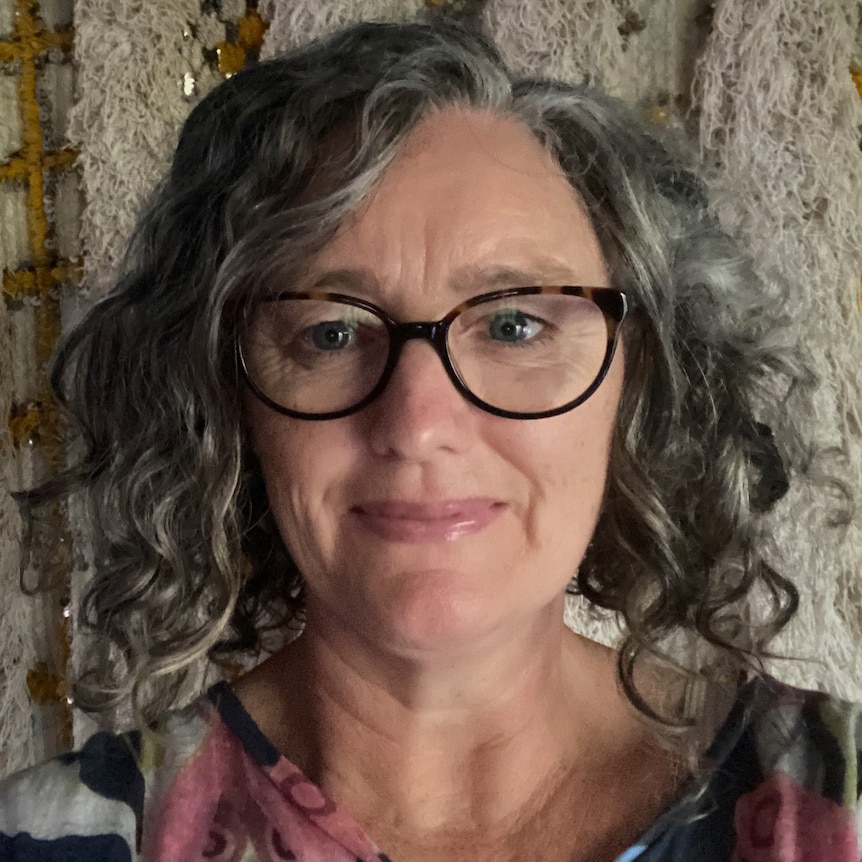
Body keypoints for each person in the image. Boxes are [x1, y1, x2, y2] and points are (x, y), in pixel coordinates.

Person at [0, 18, 859, 862]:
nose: (417, 425)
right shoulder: (64, 840)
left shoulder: (834, 808)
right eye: (330, 334)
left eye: (516, 325)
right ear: (227, 398)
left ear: (643, 380)